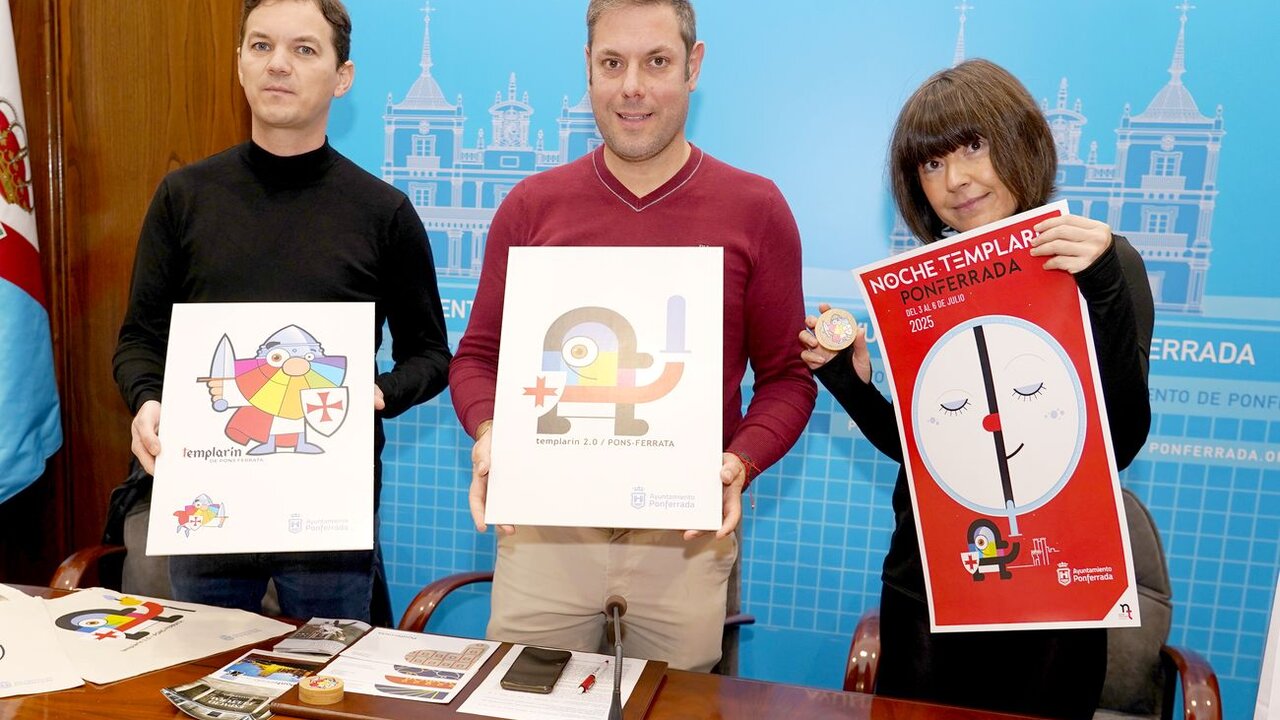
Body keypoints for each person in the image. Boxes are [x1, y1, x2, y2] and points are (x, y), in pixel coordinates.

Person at [448, 0, 816, 672]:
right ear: (587, 69)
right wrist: (488, 432)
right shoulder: (532, 207)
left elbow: (788, 379)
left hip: (683, 535)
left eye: (657, 62)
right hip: (545, 532)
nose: (632, 87)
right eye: (612, 63)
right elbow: (476, 359)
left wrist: (740, 462)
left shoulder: (755, 209)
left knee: (674, 708)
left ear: (693, 66)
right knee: (523, 705)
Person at [798, 59, 1153, 719]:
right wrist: (848, 382)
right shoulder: (922, 286)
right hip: (929, 591)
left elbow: (1121, 442)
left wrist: (1102, 286)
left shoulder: (1099, 259)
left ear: (1022, 141)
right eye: (931, 164)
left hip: (1053, 598)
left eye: (973, 147)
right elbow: (931, 455)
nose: (956, 180)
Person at [112, 0, 451, 624]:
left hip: (326, 506)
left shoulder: (384, 212)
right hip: (209, 497)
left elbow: (430, 355)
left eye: (304, 49)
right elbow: (139, 338)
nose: (278, 66)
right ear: (240, 64)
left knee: (328, 686)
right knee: (201, 677)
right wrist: (147, 398)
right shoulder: (184, 198)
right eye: (261, 46)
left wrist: (373, 395)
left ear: (341, 76)